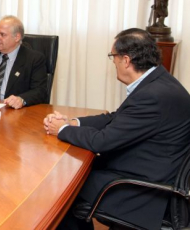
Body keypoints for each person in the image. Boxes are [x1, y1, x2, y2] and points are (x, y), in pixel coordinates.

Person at [43, 28, 190, 229]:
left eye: (113, 56)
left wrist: (61, 130)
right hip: (151, 169)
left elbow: (102, 141)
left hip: (141, 190)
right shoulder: (158, 81)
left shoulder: (152, 95)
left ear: (126, 60)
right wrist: (73, 122)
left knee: (63, 189)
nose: (113, 62)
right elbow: (117, 118)